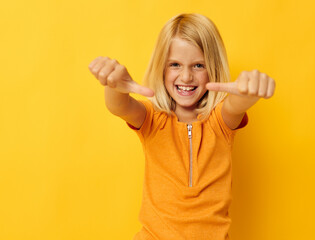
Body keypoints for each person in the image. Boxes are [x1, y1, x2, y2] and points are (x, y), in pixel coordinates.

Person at [88, 13, 275, 240]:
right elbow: (119, 106)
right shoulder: (152, 119)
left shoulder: (220, 122)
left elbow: (236, 105)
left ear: (213, 68)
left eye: (198, 65)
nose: (186, 76)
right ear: (162, 69)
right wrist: (115, 85)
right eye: (175, 65)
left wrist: (250, 90)